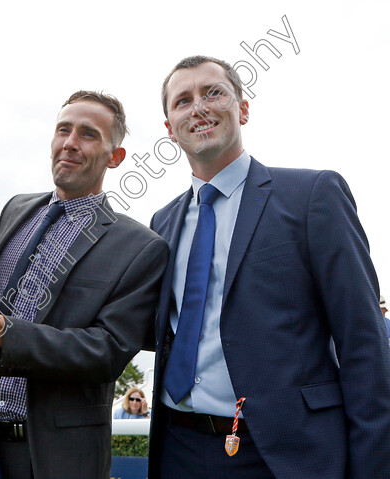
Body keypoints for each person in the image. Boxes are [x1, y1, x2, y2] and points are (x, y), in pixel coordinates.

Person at [148, 55, 390, 479]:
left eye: (213, 93)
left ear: (242, 108)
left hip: (285, 455)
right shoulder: (161, 223)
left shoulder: (313, 195)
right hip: (178, 448)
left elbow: (365, 344)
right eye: (182, 101)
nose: (198, 107)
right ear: (169, 128)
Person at [0, 91, 169, 479]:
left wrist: (1, 331)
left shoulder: (141, 247)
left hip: (56, 458)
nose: (70, 143)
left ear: (114, 158)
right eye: (63, 130)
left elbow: (106, 351)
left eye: (88, 134)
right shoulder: (17, 208)